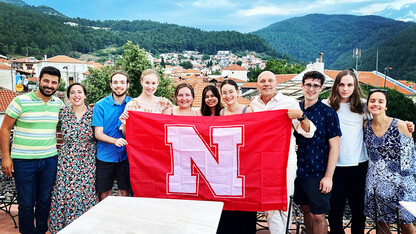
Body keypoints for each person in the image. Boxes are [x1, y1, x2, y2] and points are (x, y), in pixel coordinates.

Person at [250, 71, 316, 234]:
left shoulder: (289, 102)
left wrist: (301, 116)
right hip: (262, 161)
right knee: (268, 203)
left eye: (270, 80)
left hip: (285, 160)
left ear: (276, 83)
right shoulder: (254, 105)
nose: (266, 84)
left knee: (284, 201)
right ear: (257, 85)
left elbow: (308, 132)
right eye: (262, 81)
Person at [0, 66, 63, 234]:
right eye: (46, 81)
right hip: (23, 161)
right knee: (26, 203)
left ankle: (41, 230)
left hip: (50, 160)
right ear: (39, 80)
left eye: (54, 82)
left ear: (58, 85)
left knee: (44, 200)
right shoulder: (20, 101)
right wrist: (5, 158)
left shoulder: (59, 104)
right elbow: (5, 128)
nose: (50, 85)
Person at [294, 71, 341, 233]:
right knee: (306, 210)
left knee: (318, 216)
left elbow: (335, 146)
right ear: (302, 86)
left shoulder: (329, 113)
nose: (311, 89)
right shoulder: (294, 109)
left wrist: (328, 177)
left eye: (315, 86)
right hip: (297, 171)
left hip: (318, 172)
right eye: (308, 84)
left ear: (321, 89)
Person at [364, 89, 416, 234]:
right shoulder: (365, 126)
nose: (376, 104)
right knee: (381, 224)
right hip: (375, 184)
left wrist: (407, 187)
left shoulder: (401, 125)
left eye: (381, 101)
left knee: (405, 222)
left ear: (386, 106)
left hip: (401, 185)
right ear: (367, 104)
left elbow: (410, 158)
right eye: (372, 101)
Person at [324, 69, 369, 234]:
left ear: (355, 86)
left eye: (350, 84)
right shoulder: (326, 105)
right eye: (341, 84)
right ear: (336, 86)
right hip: (335, 166)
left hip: (359, 165)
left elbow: (383, 121)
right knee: (335, 211)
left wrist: (405, 123)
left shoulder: (364, 105)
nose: (345, 88)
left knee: (359, 211)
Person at [48, 83, 97, 233]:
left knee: (85, 194)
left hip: (87, 162)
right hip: (66, 161)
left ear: (85, 95)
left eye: (79, 92)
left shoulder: (94, 113)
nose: (76, 95)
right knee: (64, 194)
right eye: (73, 93)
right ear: (68, 97)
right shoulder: (62, 113)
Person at [217, 79, 254, 234]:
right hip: (226, 164)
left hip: (245, 164)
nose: (228, 95)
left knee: (245, 202)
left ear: (237, 92)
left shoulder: (248, 110)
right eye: (224, 93)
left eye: (231, 91)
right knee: (227, 202)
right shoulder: (222, 113)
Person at [92, 71, 132, 201]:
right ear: (110, 85)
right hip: (105, 157)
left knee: (124, 193)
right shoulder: (100, 106)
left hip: (126, 156)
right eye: (115, 82)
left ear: (127, 85)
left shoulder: (134, 104)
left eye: (122, 82)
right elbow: (98, 133)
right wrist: (115, 141)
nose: (118, 85)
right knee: (105, 194)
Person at [119, 69, 173, 134]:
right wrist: (125, 124)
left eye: (153, 83)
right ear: (141, 82)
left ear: (157, 83)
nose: (150, 87)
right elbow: (126, 135)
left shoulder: (165, 104)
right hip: (139, 143)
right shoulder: (131, 105)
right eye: (147, 83)